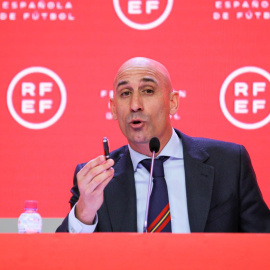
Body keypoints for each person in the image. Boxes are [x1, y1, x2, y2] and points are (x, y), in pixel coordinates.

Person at [56, 57, 270, 233]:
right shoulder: (96, 181)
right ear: (113, 109)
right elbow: (63, 258)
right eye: (125, 94)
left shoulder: (230, 163)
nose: (135, 105)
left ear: (173, 102)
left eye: (148, 91)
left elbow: (263, 245)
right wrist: (84, 211)